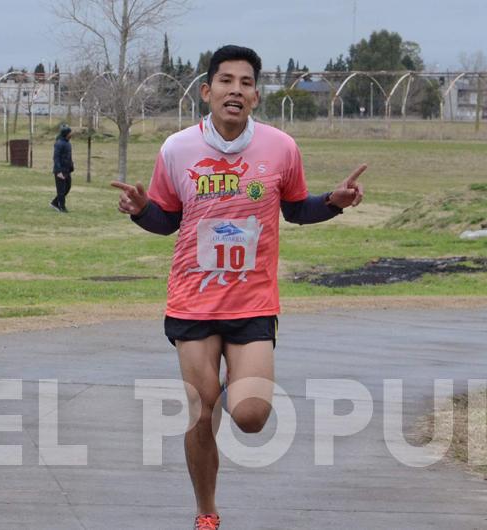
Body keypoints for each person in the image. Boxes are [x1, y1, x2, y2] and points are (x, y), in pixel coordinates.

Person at [111, 45, 365, 530]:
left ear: (256, 96)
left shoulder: (280, 147)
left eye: (246, 83)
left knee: (249, 415)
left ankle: (233, 381)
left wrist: (333, 202)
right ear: (208, 92)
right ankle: (206, 513)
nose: (236, 90)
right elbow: (167, 221)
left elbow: (295, 209)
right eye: (226, 81)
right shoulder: (177, 148)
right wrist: (142, 209)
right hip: (193, 300)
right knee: (202, 410)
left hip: (252, 303)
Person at [51, 124, 74, 212]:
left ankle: (55, 202)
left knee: (67, 188)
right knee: (61, 190)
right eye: (70, 132)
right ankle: (61, 207)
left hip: (67, 170)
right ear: (66, 134)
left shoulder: (68, 143)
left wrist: (71, 166)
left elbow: (69, 157)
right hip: (60, 170)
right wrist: (59, 171)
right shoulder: (59, 143)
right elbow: (56, 158)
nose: (71, 134)